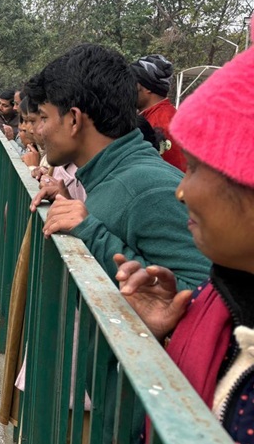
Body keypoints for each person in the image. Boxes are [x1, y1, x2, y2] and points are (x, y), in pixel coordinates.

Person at [114, 37, 254, 443]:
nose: (180, 191)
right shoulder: (219, 294)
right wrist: (174, 331)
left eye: (193, 169)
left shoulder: (163, 122)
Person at [27, 44, 210, 291]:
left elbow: (206, 295)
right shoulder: (113, 176)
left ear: (73, 119)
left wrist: (92, 233)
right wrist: (71, 205)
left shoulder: (148, 189)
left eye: (44, 118)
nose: (39, 131)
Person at [131, 54, 185, 171]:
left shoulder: (160, 124)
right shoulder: (167, 115)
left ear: (147, 88)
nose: (129, 89)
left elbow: (175, 171)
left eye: (133, 83)